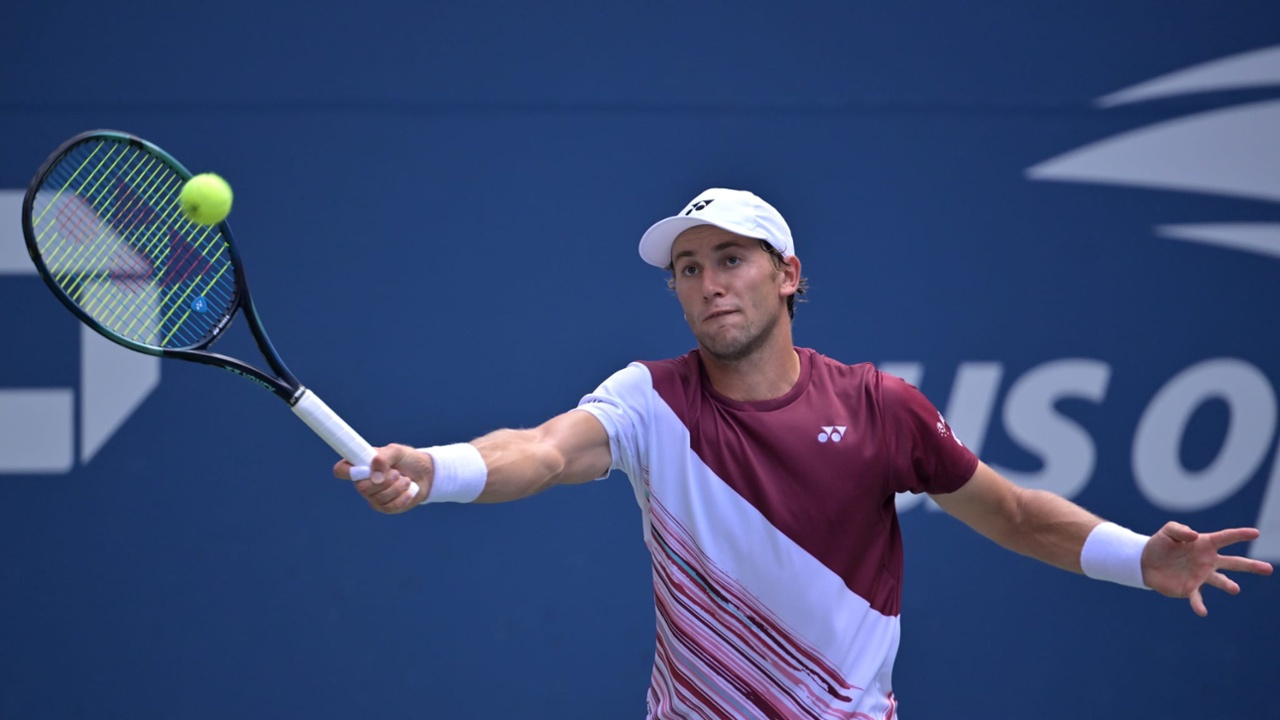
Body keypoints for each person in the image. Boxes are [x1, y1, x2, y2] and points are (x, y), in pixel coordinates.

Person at [333, 188, 1273, 719]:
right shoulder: (649, 400)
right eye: (689, 270)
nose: (708, 284)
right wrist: (438, 471)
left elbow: (1017, 514)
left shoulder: (879, 406)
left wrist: (1137, 558)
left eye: (730, 260)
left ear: (787, 275)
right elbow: (538, 450)